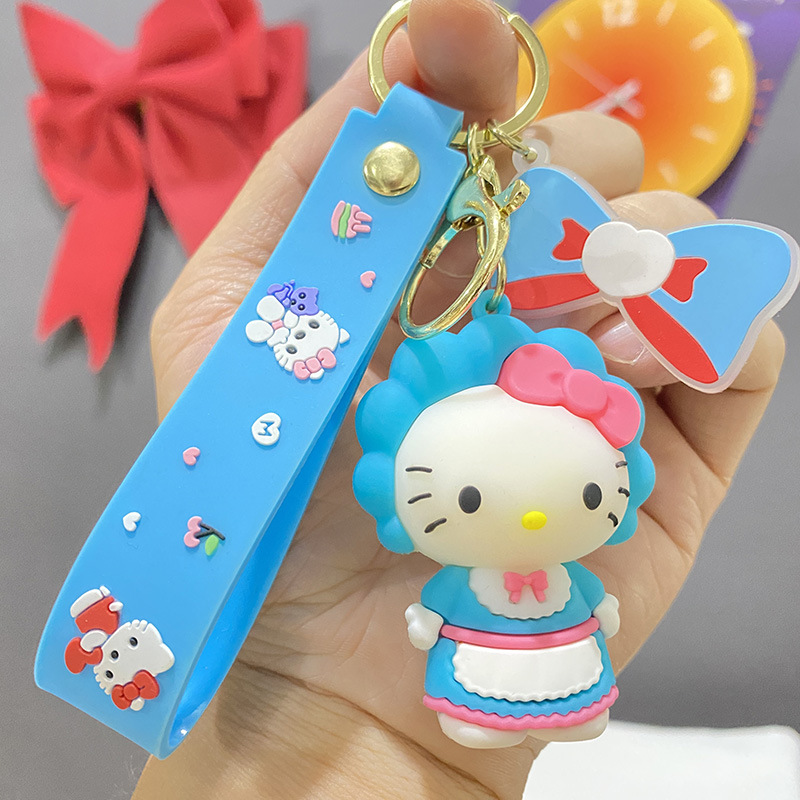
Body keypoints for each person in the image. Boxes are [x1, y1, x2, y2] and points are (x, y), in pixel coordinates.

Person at [133, 0, 786, 797]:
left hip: (563, 659)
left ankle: (563, 709)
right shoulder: (436, 539)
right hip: (469, 667)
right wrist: (315, 702)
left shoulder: (559, 562)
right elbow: (445, 604)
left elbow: (577, 595)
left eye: (593, 494)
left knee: (568, 688)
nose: (537, 521)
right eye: (467, 496)